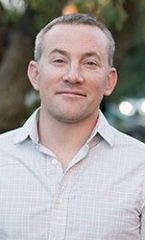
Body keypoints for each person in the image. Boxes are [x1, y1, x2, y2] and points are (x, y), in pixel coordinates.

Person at [0, 13, 145, 240]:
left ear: (109, 81)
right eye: (59, 60)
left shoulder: (140, 167)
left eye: (90, 63)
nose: (73, 76)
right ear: (35, 75)